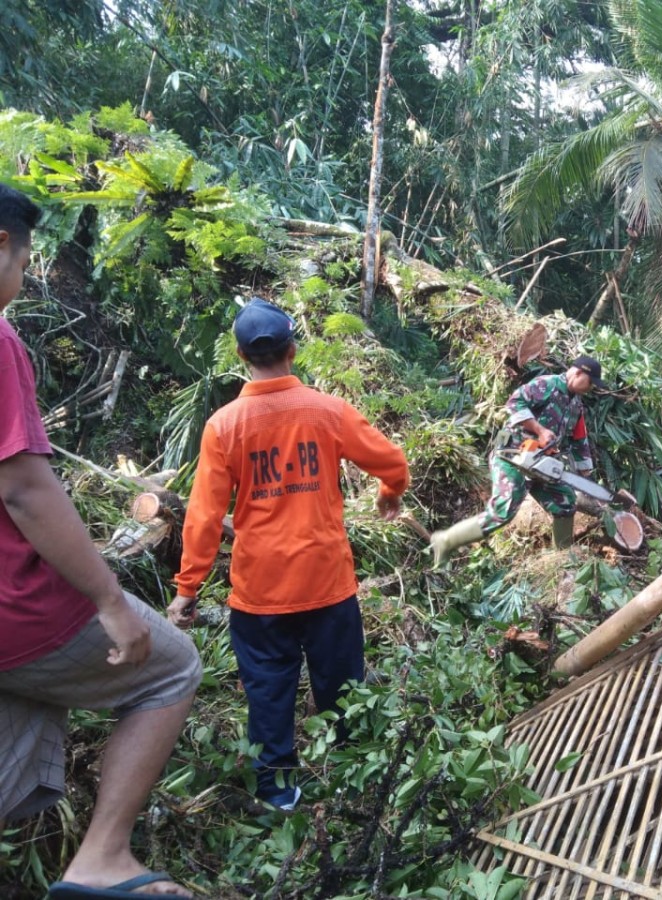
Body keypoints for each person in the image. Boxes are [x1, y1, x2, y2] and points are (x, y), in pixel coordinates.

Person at [0, 184, 201, 899]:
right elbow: (23, 488)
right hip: (19, 609)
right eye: (26, 261)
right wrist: (109, 597)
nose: (24, 278)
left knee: (25, 713)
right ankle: (100, 860)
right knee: (171, 667)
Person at [167, 298, 410, 811]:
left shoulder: (224, 425)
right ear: (293, 349)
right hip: (327, 583)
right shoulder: (327, 411)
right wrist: (391, 492)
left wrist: (188, 587)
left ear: (239, 354)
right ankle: (353, 778)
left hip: (260, 593)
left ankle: (277, 793)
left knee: (269, 693)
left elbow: (205, 516)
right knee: (342, 686)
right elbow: (391, 460)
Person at [429, 356, 605, 566]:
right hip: (513, 457)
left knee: (565, 502)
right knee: (502, 512)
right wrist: (539, 430)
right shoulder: (546, 385)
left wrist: (586, 471)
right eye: (591, 381)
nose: (591, 387)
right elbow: (514, 402)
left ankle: (562, 559)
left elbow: (579, 438)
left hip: (541, 465)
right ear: (577, 373)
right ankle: (445, 541)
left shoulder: (576, 404)